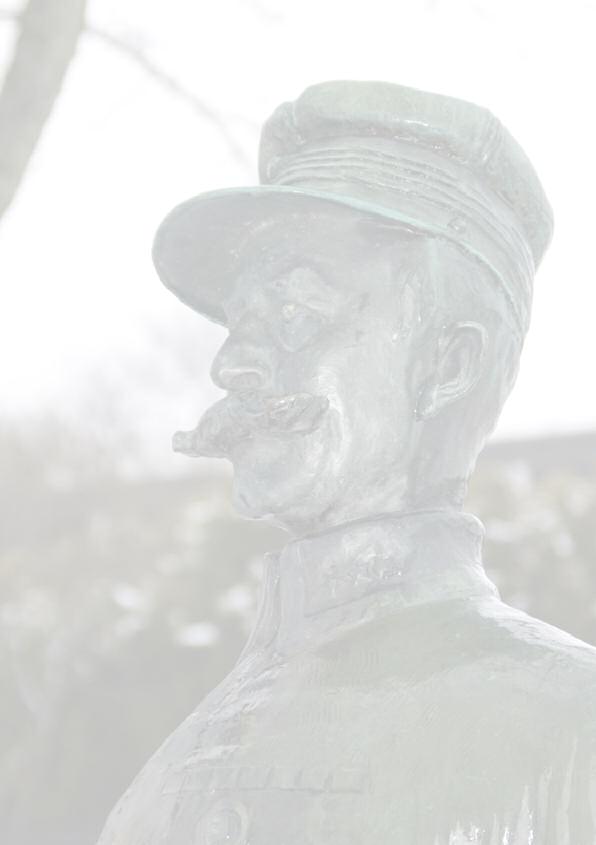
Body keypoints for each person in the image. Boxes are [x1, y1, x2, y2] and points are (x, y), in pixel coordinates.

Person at [98, 81, 596, 844]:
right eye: (239, 322)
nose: (230, 364)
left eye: (296, 310)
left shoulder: (570, 726)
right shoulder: (170, 771)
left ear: (446, 363)